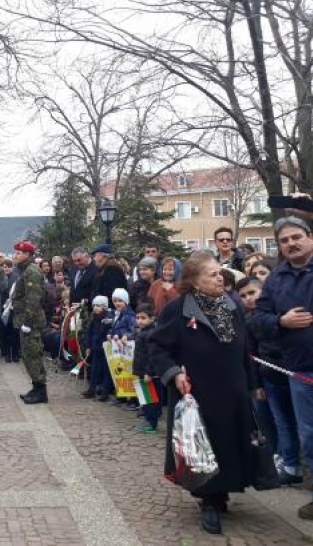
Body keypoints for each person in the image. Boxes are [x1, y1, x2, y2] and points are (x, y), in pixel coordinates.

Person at [149, 251, 256, 535]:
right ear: (195, 282)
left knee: (229, 442)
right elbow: (157, 346)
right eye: (212, 274)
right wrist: (174, 373)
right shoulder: (179, 309)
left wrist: (252, 385)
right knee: (204, 445)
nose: (220, 278)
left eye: (220, 273)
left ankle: (222, 493)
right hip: (198, 392)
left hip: (232, 388)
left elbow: (245, 349)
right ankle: (208, 499)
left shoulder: (231, 305)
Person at [253, 217, 313, 519]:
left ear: (310, 237)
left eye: (296, 237)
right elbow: (258, 319)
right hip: (301, 372)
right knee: (309, 434)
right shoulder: (275, 279)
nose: (292, 243)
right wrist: (281, 322)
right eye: (285, 240)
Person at [238, 276, 301, 486]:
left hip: (294, 372)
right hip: (270, 377)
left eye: (252, 293)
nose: (248, 299)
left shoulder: (281, 311)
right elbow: (252, 353)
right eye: (243, 296)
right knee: (282, 423)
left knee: (300, 423)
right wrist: (256, 384)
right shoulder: (248, 322)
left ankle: (295, 461)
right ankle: (288, 463)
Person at [10, 241, 48, 404]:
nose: (15, 255)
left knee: (33, 355)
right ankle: (36, 387)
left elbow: (33, 300)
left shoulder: (31, 272)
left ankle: (41, 391)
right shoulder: (24, 270)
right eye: (15, 253)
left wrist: (27, 321)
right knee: (28, 355)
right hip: (25, 320)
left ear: (27, 255)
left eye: (18, 253)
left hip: (30, 322)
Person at [131, 303, 161, 434]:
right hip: (141, 370)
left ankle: (152, 423)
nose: (139, 321)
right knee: (145, 398)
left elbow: (152, 355)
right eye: (137, 318)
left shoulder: (151, 334)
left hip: (148, 373)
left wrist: (149, 372)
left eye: (143, 318)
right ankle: (148, 420)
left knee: (151, 400)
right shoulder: (142, 332)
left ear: (152, 318)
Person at [81, 295, 114, 401]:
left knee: (106, 370)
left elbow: (108, 332)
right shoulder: (93, 318)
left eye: (98, 306)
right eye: (94, 305)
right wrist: (89, 346)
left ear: (104, 307)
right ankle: (92, 388)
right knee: (94, 369)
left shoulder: (108, 319)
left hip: (105, 348)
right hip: (96, 348)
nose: (95, 308)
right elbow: (90, 333)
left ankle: (105, 391)